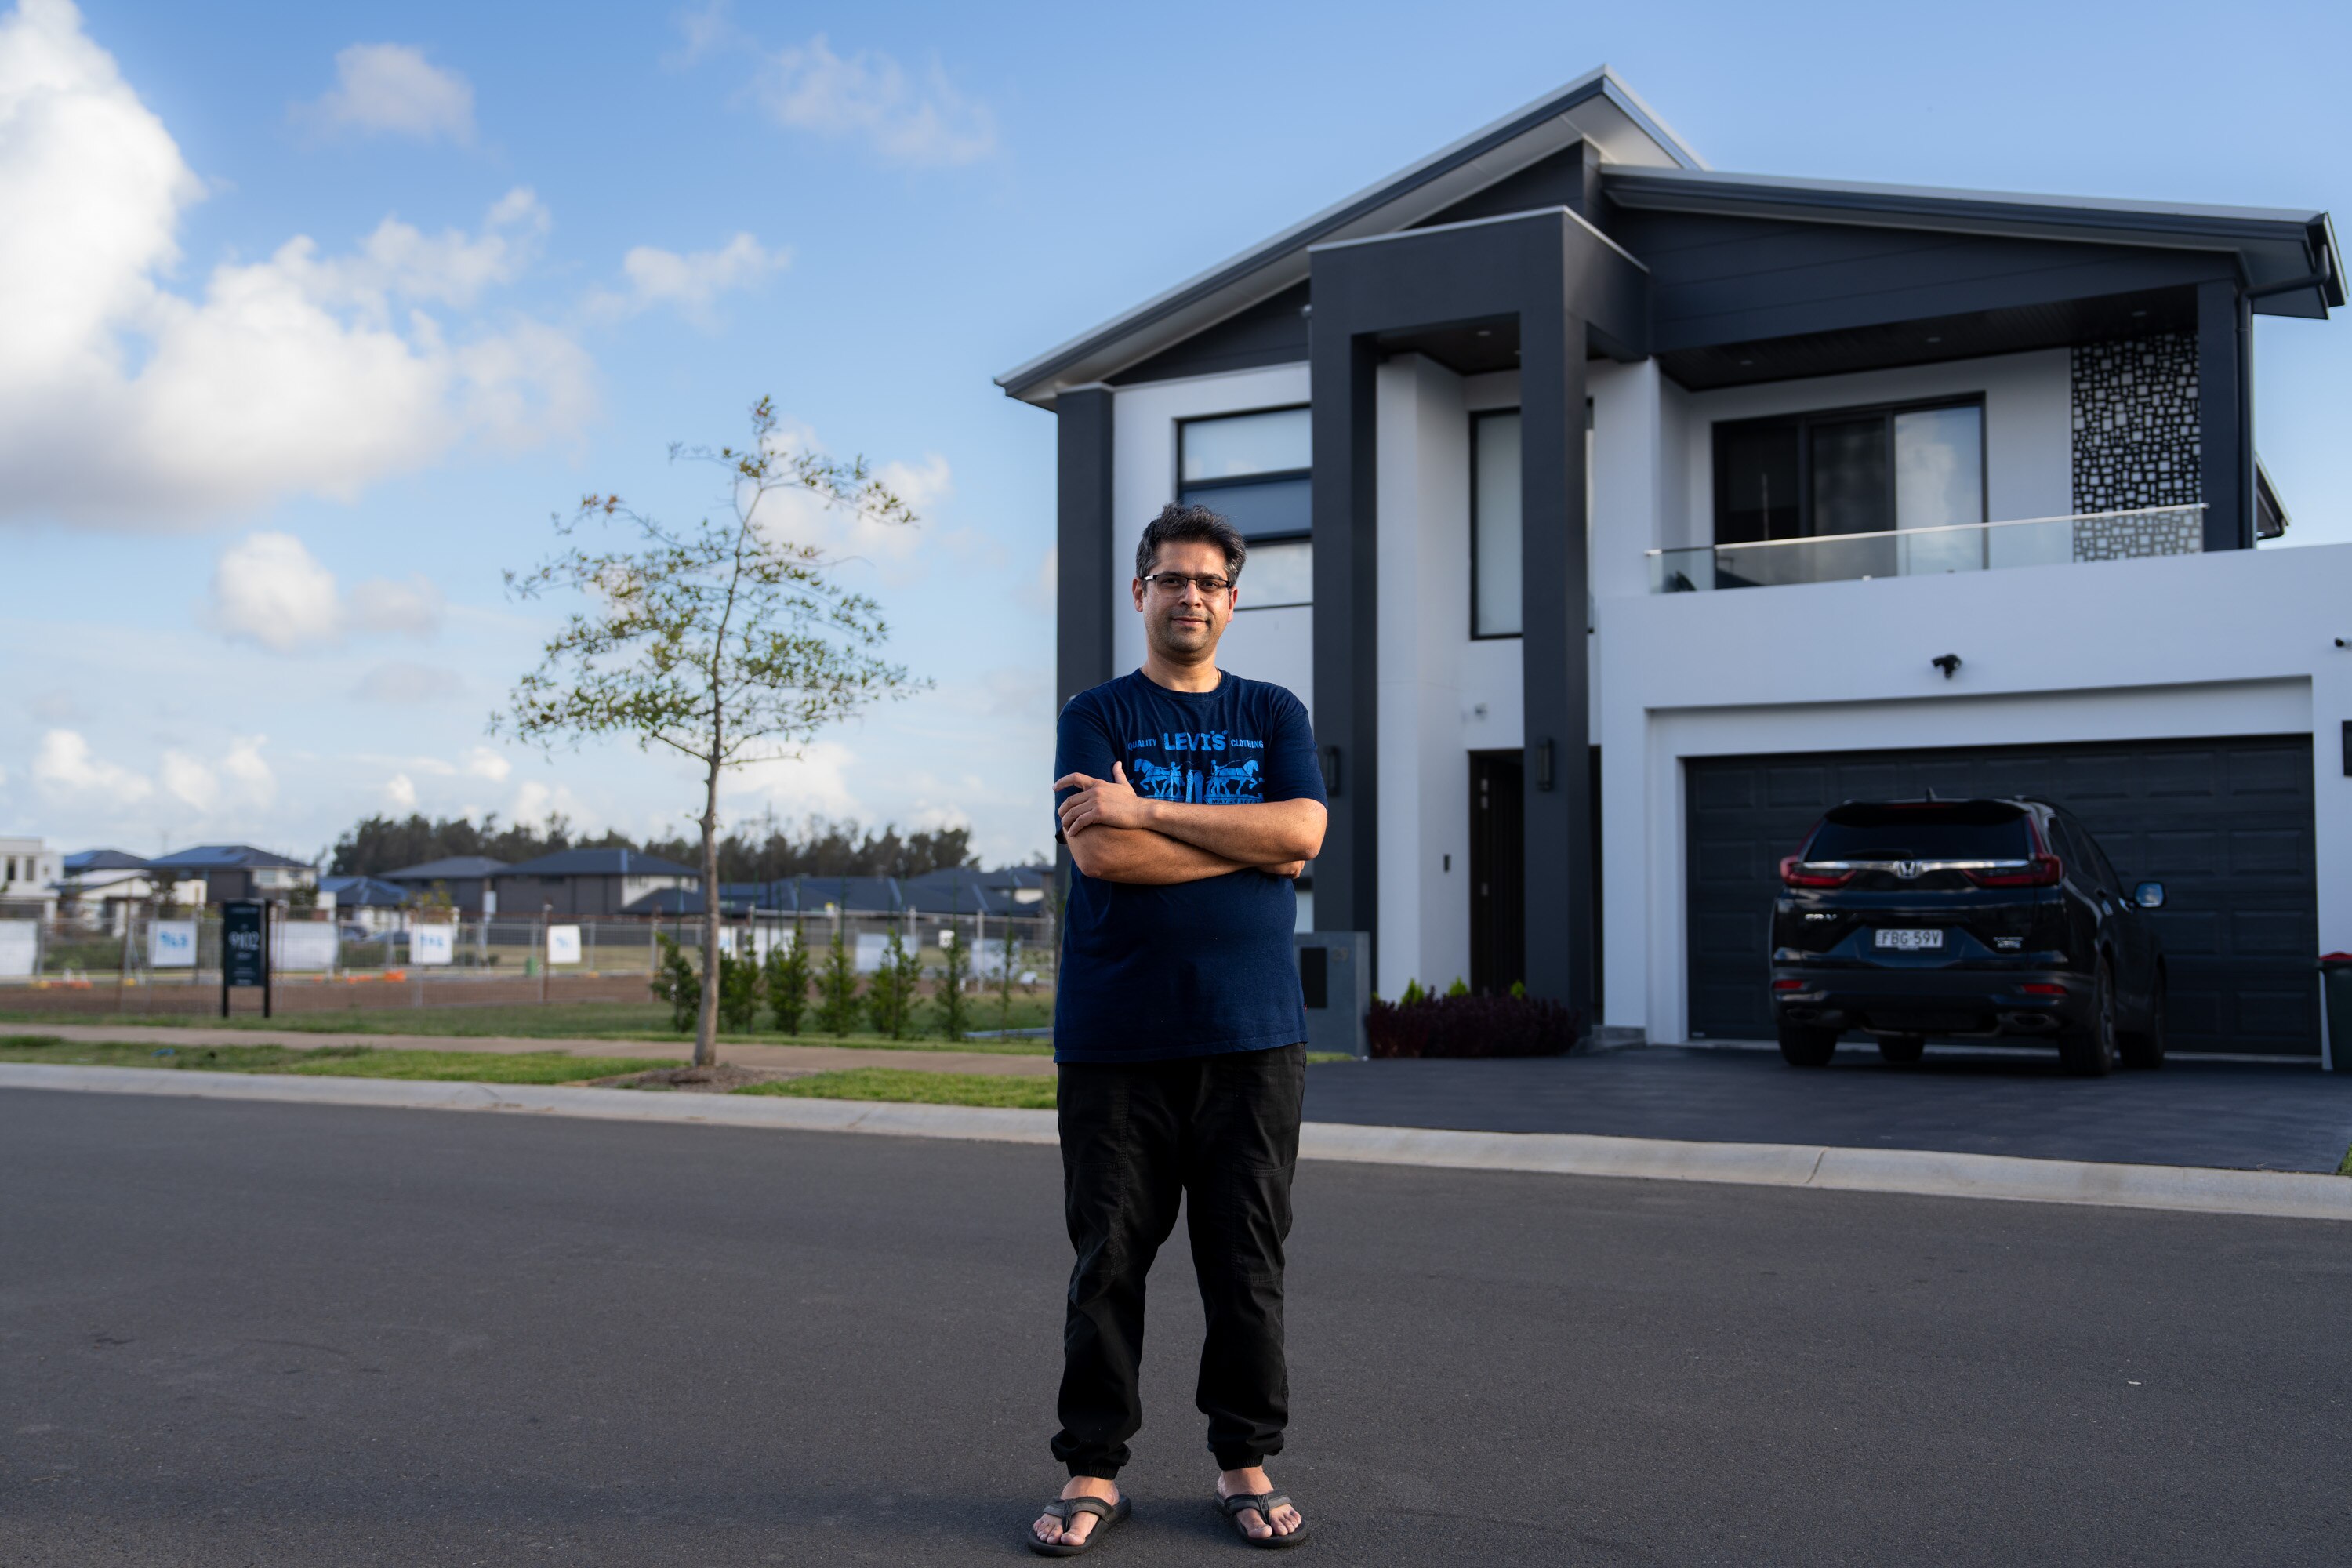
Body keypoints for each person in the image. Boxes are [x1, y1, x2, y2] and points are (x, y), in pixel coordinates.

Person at [1029, 503, 1327, 1555]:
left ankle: (1245, 1459)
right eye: (1171, 579)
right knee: (1108, 1260)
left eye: (1209, 582)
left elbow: (1305, 829)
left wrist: (1146, 811)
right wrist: (1253, 850)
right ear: (1140, 593)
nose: (1189, 595)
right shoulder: (1097, 713)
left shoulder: (1273, 711)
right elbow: (1100, 859)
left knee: (1244, 1261)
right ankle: (1092, 1468)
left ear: (1233, 602)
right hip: (1118, 1041)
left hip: (1253, 1039)